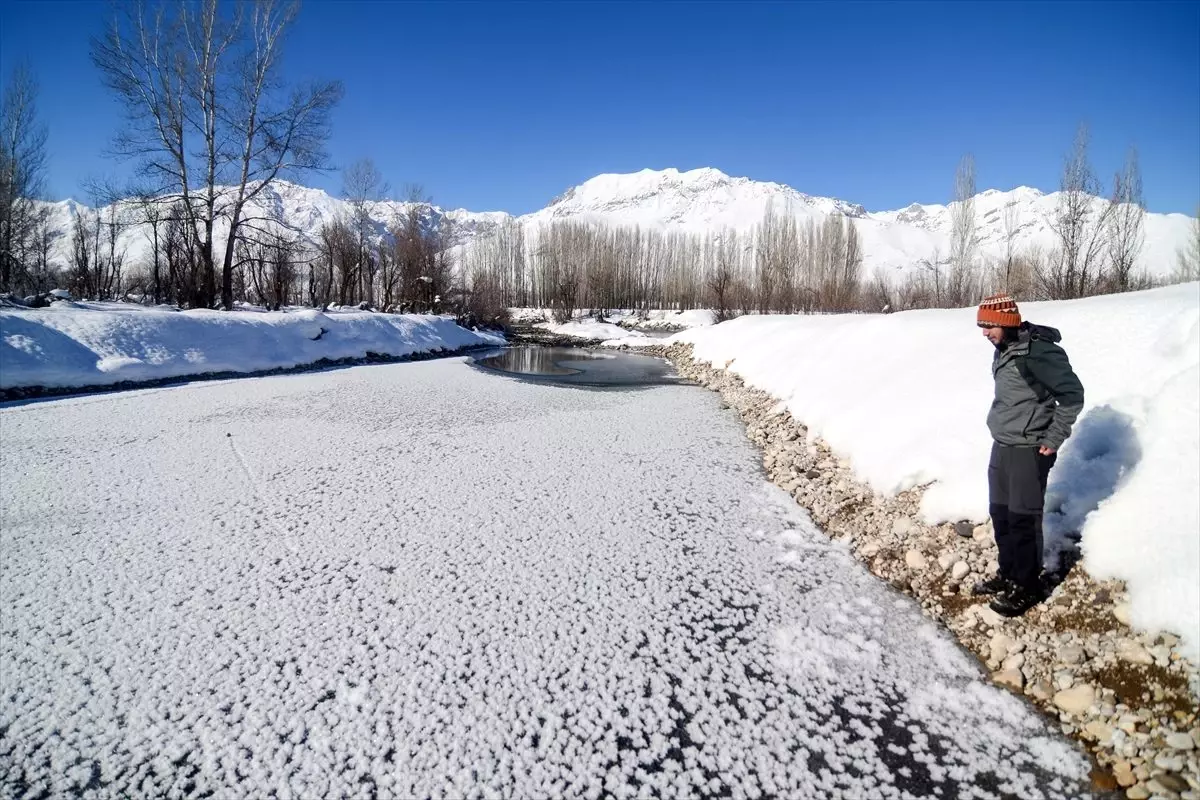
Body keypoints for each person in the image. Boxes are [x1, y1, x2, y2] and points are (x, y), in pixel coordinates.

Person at [972, 293, 1084, 617]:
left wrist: (1053, 437)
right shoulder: (1006, 348)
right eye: (982, 326)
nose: (984, 333)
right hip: (1003, 444)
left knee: (1023, 521)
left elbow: (1073, 396)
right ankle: (1008, 574)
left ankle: (1027, 586)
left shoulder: (1038, 352)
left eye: (989, 326)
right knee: (1001, 515)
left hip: (1028, 449)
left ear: (1006, 322)